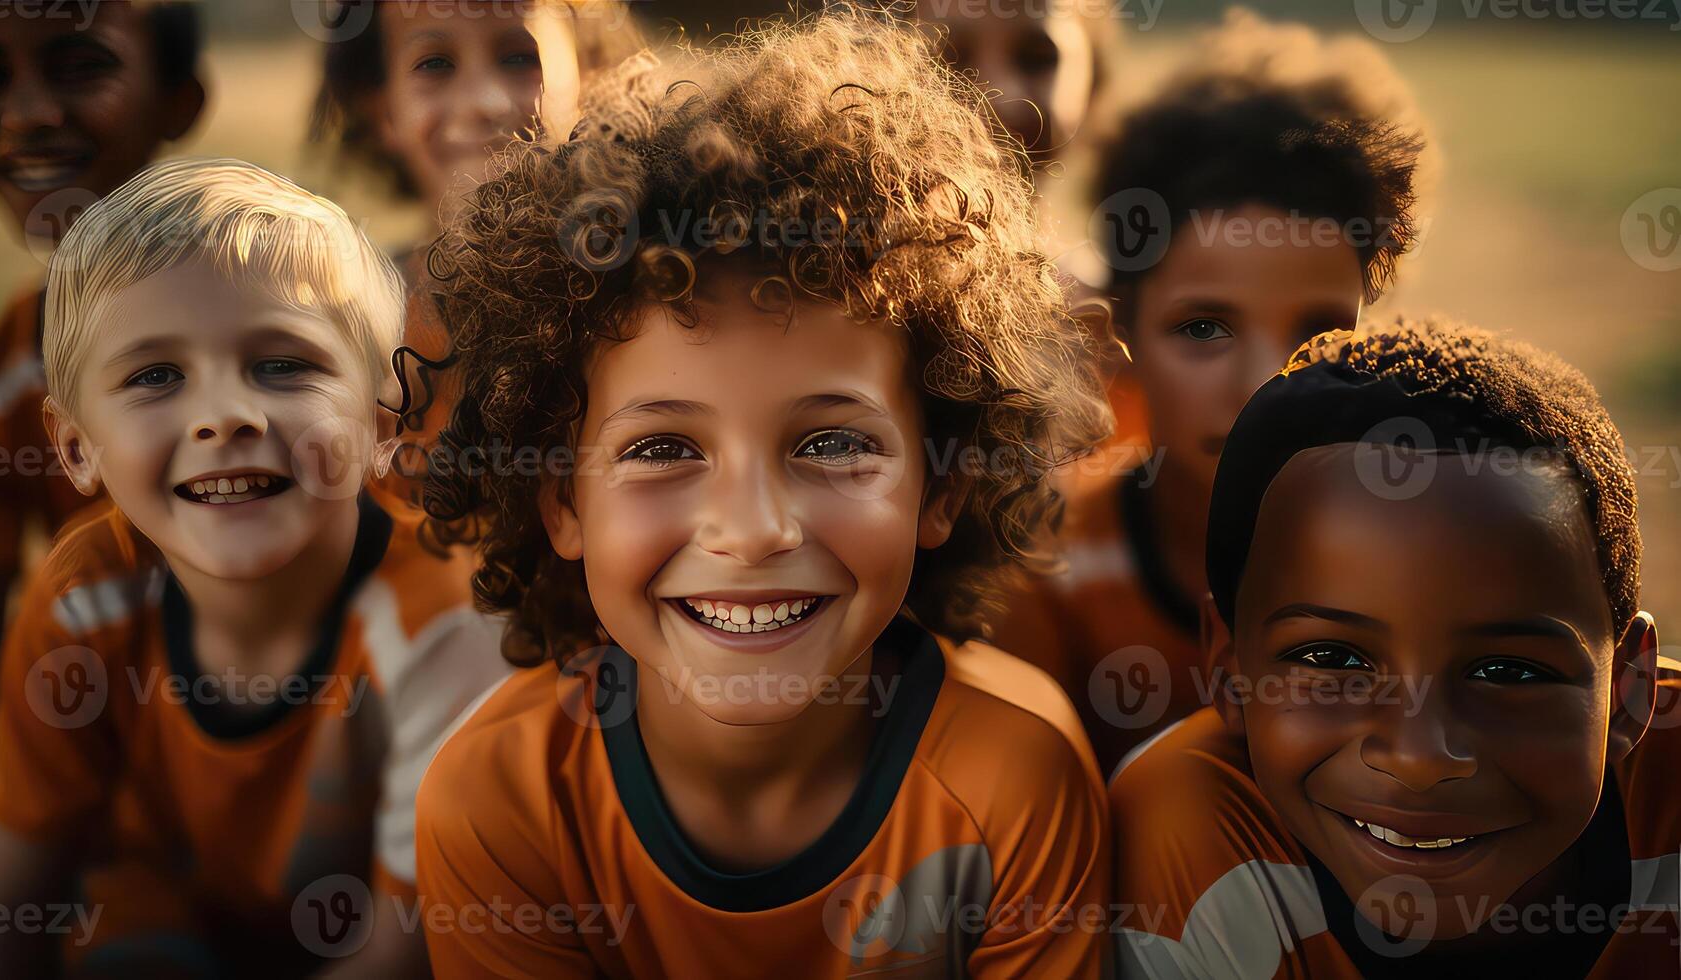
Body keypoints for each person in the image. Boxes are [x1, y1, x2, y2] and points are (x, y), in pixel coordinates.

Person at [412, 10, 1113, 976]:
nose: (750, 530)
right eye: (661, 447)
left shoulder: (1016, 779)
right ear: (559, 501)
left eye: (830, 443)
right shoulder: (499, 795)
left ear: (940, 482)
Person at [0, 159, 510, 978]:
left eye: (282, 364)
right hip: (165, 924)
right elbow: (6, 901)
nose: (225, 417)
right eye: (155, 376)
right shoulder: (83, 594)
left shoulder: (443, 620)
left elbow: (408, 952)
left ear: (383, 419)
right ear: (75, 447)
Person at [1110, 318, 1675, 978]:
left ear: (1628, 690)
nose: (1417, 756)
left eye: (1507, 670)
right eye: (1332, 660)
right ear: (1229, 673)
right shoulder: (1198, 840)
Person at [994, 10, 1429, 773]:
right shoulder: (1046, 571)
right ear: (1117, 334)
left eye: (1318, 333)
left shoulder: (1418, 557)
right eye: (1202, 329)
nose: (1265, 384)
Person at [0, 0, 206, 886]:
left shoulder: (284, 333)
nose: (29, 114)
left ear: (179, 99)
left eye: (79, 64)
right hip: (88, 835)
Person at [308, 0, 636, 504]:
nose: (486, 102)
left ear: (588, 80)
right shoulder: (340, 320)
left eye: (519, 57)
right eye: (435, 64)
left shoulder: (643, 297)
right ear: (382, 110)